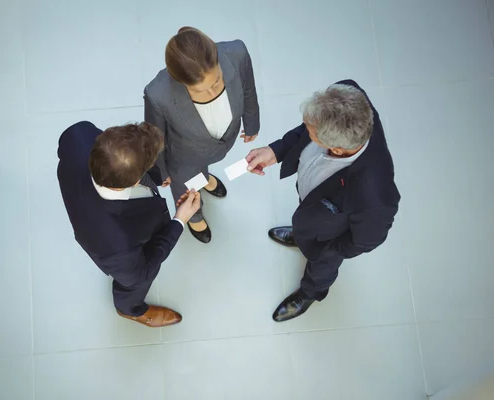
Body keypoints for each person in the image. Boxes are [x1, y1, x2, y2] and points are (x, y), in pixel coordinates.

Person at [246, 80, 401, 322]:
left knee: (322, 267)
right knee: (306, 224)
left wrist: (327, 249)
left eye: (311, 133)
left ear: (337, 149)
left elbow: (366, 240)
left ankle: (309, 293)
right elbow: (304, 129)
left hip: (329, 239)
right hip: (314, 207)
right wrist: (276, 151)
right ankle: (301, 235)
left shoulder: (374, 197)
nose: (306, 132)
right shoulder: (348, 94)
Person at [57, 121, 201, 327]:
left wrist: (157, 178)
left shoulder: (79, 134)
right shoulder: (118, 245)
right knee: (133, 285)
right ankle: (130, 309)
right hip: (119, 251)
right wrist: (180, 220)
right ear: (135, 180)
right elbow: (140, 273)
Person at [144, 27, 260, 243]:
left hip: (221, 141)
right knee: (186, 183)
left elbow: (248, 88)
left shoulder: (237, 53)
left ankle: (204, 178)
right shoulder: (157, 95)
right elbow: (155, 138)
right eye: (200, 91)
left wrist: (252, 122)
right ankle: (195, 216)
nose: (213, 93)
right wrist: (159, 170)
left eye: (217, 82)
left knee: (202, 167)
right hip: (183, 155)